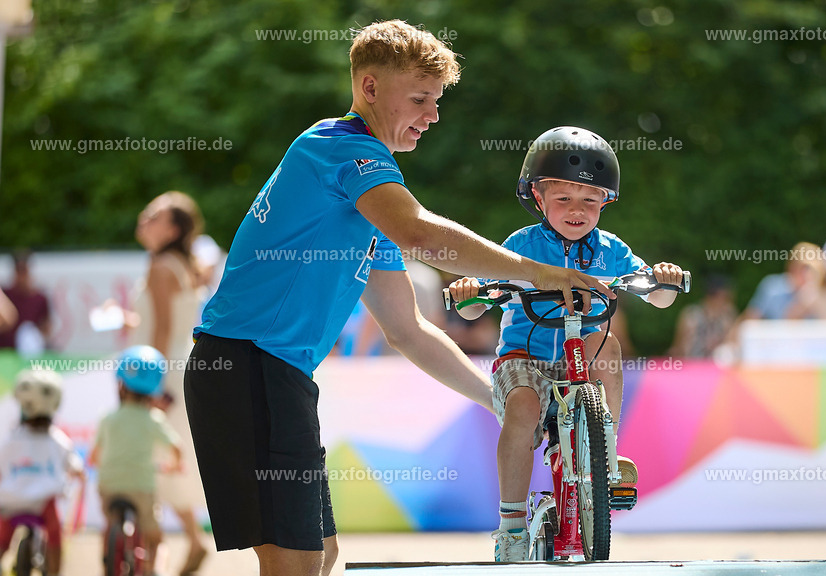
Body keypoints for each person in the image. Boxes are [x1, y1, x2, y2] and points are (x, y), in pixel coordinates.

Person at [183, 20, 613, 576]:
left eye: (436, 101)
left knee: (321, 556)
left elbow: (408, 330)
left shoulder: (367, 204)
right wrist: (541, 273)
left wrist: (499, 402)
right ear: (369, 87)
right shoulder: (340, 147)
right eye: (419, 99)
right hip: (246, 368)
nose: (432, 115)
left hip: (274, 373)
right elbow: (421, 234)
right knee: (296, 562)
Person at [447, 126, 686, 562]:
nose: (577, 210)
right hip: (526, 360)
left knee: (608, 344)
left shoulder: (611, 251)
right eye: (564, 198)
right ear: (538, 198)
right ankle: (511, 526)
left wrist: (663, 280)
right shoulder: (520, 247)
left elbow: (658, 297)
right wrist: (469, 292)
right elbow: (474, 306)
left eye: (590, 200)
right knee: (522, 407)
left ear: (605, 202)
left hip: (582, 364)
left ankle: (606, 453)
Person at [131, 191, 210, 574]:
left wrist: (149, 382)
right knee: (165, 457)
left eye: (155, 215)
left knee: (149, 458)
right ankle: (190, 541)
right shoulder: (180, 264)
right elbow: (168, 323)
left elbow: (162, 328)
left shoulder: (161, 266)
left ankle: (153, 554)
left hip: (163, 371)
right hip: (179, 368)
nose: (145, 217)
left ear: (173, 229)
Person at [91, 345, 183, 576]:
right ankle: (156, 569)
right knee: (155, 539)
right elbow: (176, 448)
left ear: (120, 384)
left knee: (110, 522)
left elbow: (94, 456)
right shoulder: (153, 419)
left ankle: (107, 560)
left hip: (109, 486)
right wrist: (174, 466)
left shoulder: (108, 418)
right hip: (141, 487)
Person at [0, 369, 84, 576]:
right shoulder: (56, 438)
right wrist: (78, 472)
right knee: (55, 536)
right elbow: (73, 462)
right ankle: (54, 571)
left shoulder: (13, 438)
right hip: (43, 504)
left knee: (2, 538)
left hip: (11, 502)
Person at [668, 274, 736, 358]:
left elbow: (732, 344)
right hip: (691, 362)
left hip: (717, 364)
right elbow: (678, 347)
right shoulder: (691, 315)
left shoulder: (727, 316)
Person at [0, 250, 52, 353]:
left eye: (24, 271)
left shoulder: (40, 298)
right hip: (5, 352)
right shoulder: (5, 295)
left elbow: (46, 327)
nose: (21, 277)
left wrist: (33, 339)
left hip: (28, 353)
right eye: (19, 271)